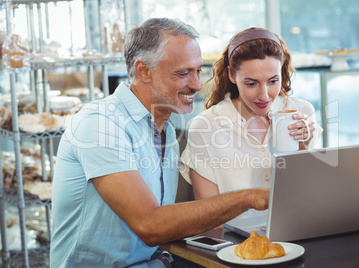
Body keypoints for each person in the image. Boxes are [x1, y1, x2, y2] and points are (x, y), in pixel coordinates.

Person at [50, 18, 269, 268]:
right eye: (183, 73)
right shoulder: (101, 123)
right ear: (144, 70)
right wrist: (249, 198)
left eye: (198, 71)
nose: (196, 85)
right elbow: (150, 225)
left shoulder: (166, 132)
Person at [180, 27, 323, 219]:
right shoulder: (206, 127)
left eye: (273, 81)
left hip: (296, 231)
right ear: (232, 75)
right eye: (251, 84)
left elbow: (312, 198)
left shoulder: (302, 113)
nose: (264, 95)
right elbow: (210, 220)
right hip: (235, 244)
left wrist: (304, 148)